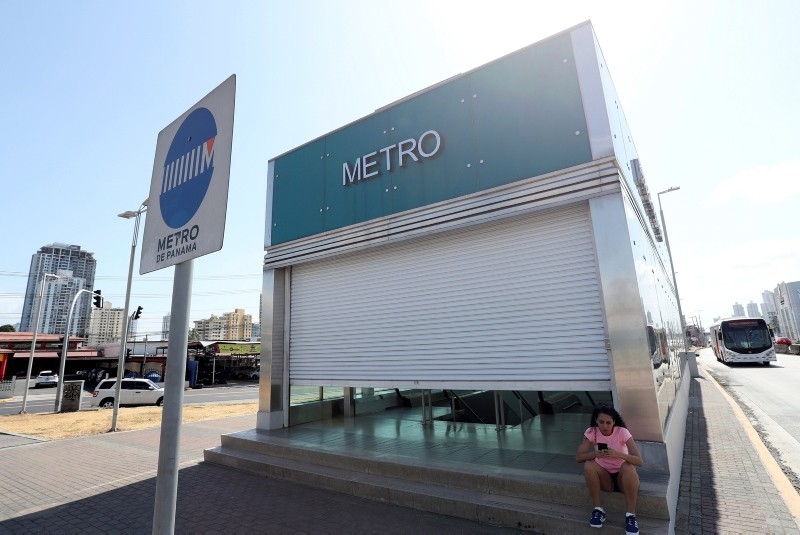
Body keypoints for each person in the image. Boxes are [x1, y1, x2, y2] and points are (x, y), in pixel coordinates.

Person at [575, 404, 643, 533]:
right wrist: (594, 454)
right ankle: (598, 510)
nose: (605, 426)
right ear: (596, 420)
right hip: (605, 479)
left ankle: (631, 516)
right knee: (589, 464)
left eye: (608, 422)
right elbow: (579, 457)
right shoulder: (592, 432)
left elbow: (639, 461)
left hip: (623, 479)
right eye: (601, 422)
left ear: (614, 422)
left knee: (628, 466)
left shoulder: (622, 432)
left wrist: (618, 454)